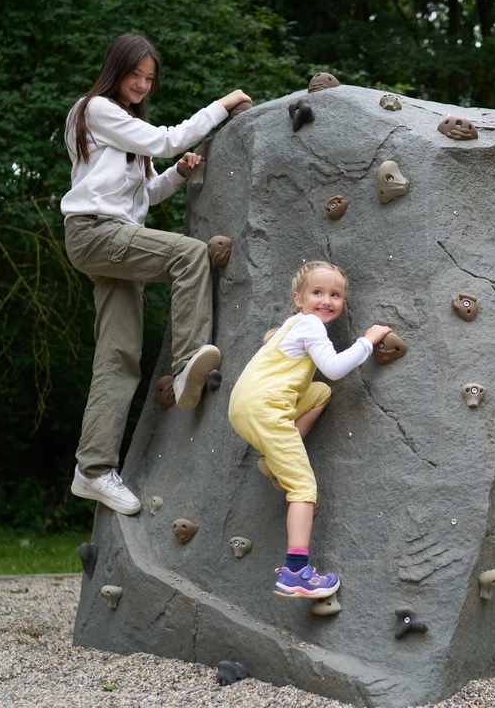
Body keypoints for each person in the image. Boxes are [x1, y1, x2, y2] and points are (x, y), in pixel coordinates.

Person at [61, 33, 251, 516]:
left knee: (119, 357)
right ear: (116, 71)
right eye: (135, 75)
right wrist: (222, 105)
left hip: (114, 238)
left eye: (149, 79)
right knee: (190, 255)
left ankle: (94, 469)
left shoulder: (126, 129)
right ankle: (189, 360)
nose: (142, 85)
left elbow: (146, 195)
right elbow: (168, 139)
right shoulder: (97, 110)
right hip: (95, 233)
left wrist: (178, 175)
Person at [228, 261, 392, 598]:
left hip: (245, 408)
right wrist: (367, 340)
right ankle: (295, 572)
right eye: (317, 292)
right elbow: (332, 368)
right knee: (303, 488)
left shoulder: (293, 325)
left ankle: (274, 461)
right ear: (298, 298)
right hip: (267, 410)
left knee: (319, 393)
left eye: (335, 294)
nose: (327, 300)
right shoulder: (312, 327)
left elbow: (321, 380)